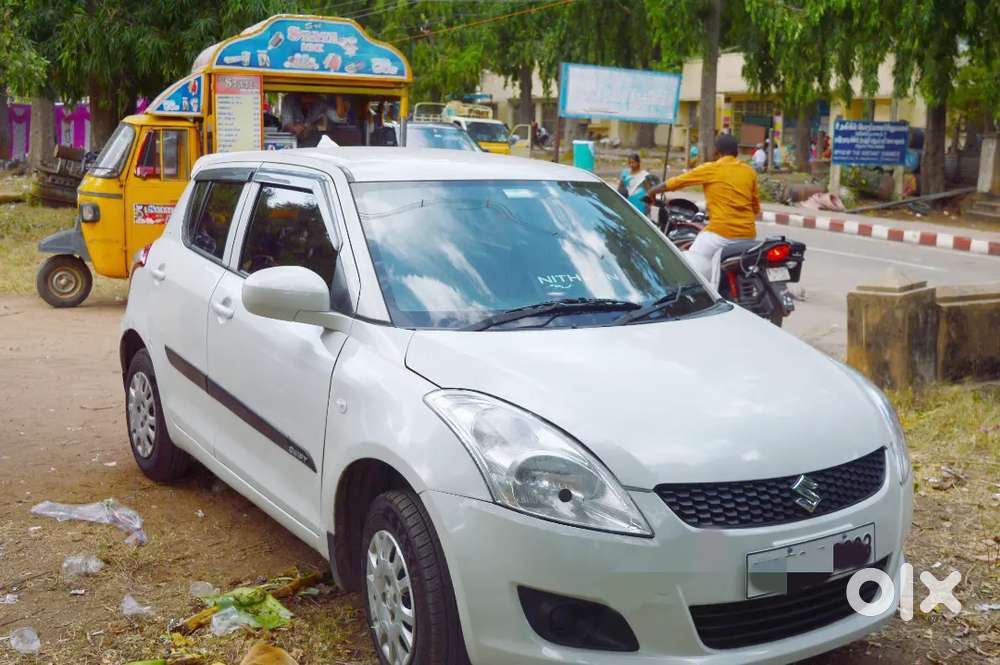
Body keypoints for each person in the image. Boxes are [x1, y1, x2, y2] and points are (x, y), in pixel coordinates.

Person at [645, 133, 761, 281]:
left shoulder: (711, 169)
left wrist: (652, 192)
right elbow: (755, 208)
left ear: (716, 152)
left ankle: (706, 292)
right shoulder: (749, 171)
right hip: (748, 234)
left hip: (721, 233)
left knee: (689, 266)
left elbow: (678, 182)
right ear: (737, 152)